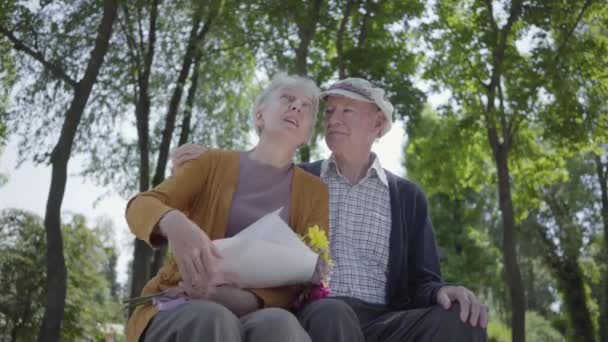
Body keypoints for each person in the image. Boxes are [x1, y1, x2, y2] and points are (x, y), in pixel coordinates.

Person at [172, 78, 488, 341]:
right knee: (333, 312)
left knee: (463, 319)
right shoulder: (297, 180)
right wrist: (209, 171)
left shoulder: (407, 196)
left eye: (347, 111)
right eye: (330, 112)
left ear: (377, 124)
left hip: (387, 320)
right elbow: (248, 196)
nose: (333, 119)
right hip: (317, 313)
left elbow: (423, 281)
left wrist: (445, 291)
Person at [125, 74, 329, 342]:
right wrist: (174, 221)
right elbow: (140, 206)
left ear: (307, 134)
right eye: (288, 98)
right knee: (214, 319)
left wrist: (241, 299)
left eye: (307, 107)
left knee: (282, 327)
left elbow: (306, 276)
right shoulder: (210, 163)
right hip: (183, 300)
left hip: (258, 310)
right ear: (259, 116)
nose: (297, 107)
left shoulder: (315, 192)